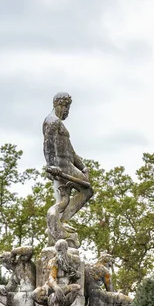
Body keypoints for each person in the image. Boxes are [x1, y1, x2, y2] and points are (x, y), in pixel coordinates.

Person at [43, 92, 93, 224]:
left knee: (63, 199)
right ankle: (62, 222)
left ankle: (59, 222)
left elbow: (71, 151)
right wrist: (51, 165)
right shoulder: (52, 121)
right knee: (87, 191)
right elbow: (48, 143)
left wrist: (83, 167)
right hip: (62, 166)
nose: (67, 111)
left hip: (66, 164)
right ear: (61, 105)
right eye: (67, 107)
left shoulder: (58, 123)